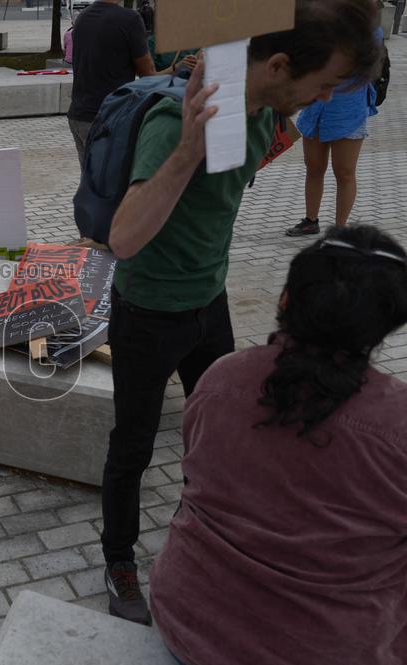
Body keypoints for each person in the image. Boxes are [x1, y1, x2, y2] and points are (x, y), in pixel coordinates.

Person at [101, 0, 380, 627]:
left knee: (221, 436)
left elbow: (231, 181)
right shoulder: (176, 121)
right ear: (278, 66)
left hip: (211, 302)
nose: (323, 98)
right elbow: (122, 238)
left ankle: (203, 541)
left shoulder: (261, 115)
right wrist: (186, 149)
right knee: (133, 447)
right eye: (323, 84)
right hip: (148, 312)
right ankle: (118, 559)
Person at [150, 225, 407, 665]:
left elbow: (195, 479)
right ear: (387, 325)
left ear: (285, 300)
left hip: (188, 622)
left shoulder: (220, 379)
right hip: (326, 649)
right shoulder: (396, 423)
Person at [286, 26, 382, 236]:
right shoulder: (321, 21)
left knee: (344, 171)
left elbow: (362, 62)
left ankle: (340, 229)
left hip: (349, 109)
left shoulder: (367, 26)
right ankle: (310, 220)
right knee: (314, 167)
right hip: (316, 106)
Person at [67, 0, 155, 168]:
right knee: (113, 180)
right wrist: (176, 69)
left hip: (79, 115)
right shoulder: (129, 19)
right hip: (109, 118)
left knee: (91, 180)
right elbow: (148, 75)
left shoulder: (83, 17)